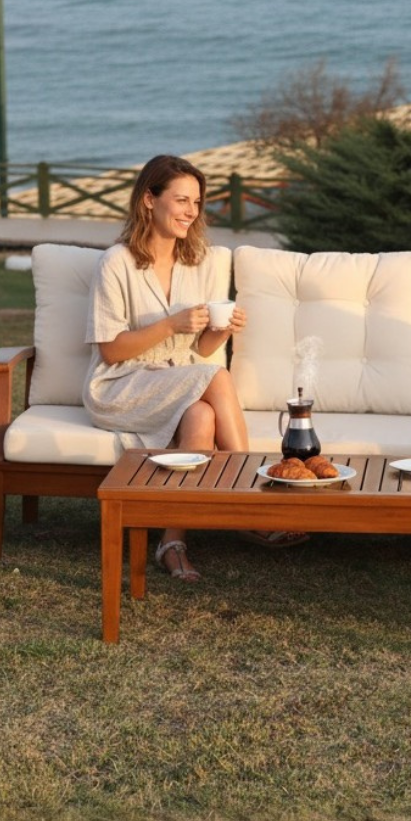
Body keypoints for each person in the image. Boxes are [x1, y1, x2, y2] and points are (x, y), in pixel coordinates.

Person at [85, 154, 302, 581]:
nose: (191, 211)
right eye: (181, 200)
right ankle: (253, 503)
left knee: (201, 415)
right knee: (217, 377)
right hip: (120, 385)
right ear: (149, 199)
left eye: (197, 202)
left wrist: (222, 331)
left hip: (176, 380)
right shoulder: (115, 262)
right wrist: (170, 324)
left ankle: (171, 542)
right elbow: (110, 350)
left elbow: (199, 350)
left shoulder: (197, 263)